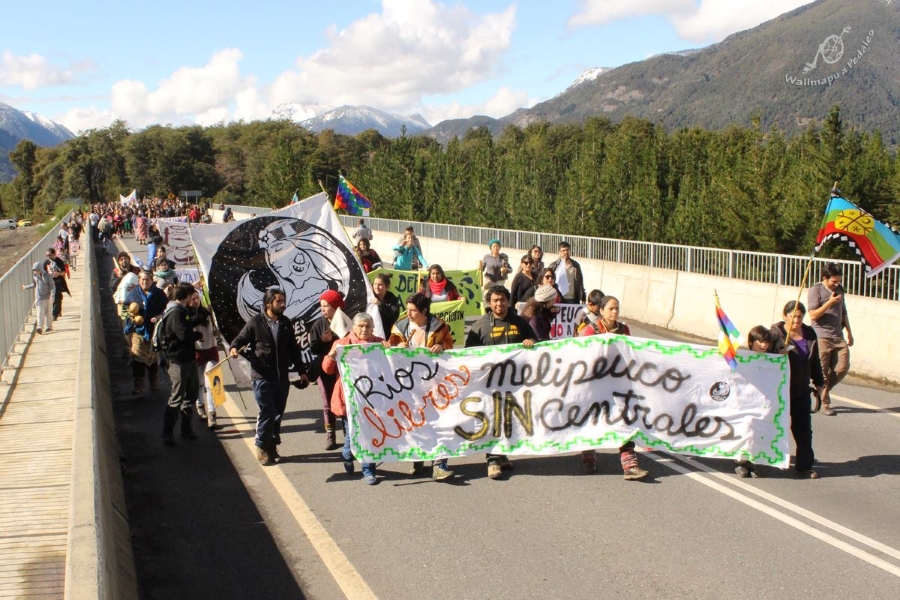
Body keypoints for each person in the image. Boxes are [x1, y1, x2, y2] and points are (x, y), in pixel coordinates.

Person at [229, 287, 308, 465]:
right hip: (262, 377)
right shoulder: (255, 322)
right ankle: (261, 446)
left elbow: (293, 350)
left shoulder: (286, 323)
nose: (283, 304)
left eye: (283, 301)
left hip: (281, 378)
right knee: (267, 412)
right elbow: (239, 340)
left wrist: (302, 372)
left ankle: (272, 446)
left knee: (278, 413)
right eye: (279, 301)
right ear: (268, 304)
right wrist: (234, 348)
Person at [465, 285, 537, 480]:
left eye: (503, 300)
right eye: (495, 300)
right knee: (492, 418)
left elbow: (536, 342)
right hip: (489, 385)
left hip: (515, 383)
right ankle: (493, 460)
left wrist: (530, 341)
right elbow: (468, 354)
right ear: (489, 303)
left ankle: (502, 453)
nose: (499, 304)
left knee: (509, 419)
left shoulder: (519, 322)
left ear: (508, 301)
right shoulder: (480, 326)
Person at [577, 295, 649, 480]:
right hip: (594, 384)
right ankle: (588, 455)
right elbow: (580, 356)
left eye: (617, 308)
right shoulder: (589, 331)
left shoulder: (624, 330)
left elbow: (630, 354)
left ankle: (630, 465)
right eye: (611, 308)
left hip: (619, 384)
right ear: (601, 311)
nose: (615, 312)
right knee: (593, 420)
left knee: (625, 419)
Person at [388, 293, 455, 480]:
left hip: (434, 384)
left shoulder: (439, 326)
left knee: (439, 423)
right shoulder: (400, 327)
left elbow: (450, 344)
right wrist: (397, 346)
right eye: (407, 310)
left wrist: (442, 345)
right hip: (409, 385)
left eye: (413, 311)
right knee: (416, 423)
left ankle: (440, 464)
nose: (408, 314)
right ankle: (418, 458)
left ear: (424, 311)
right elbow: (388, 350)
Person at [322, 313, 389, 485]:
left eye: (368, 326)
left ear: (373, 327)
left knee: (369, 434)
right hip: (349, 400)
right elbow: (327, 370)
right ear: (353, 327)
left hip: (373, 399)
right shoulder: (342, 345)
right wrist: (331, 355)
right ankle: (347, 454)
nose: (364, 329)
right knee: (351, 436)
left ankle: (369, 470)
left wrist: (390, 350)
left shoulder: (380, 344)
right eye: (361, 326)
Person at [770, 301, 824, 479]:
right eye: (792, 316)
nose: (796, 320)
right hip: (779, 390)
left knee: (803, 429)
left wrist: (819, 382)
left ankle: (805, 465)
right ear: (784, 316)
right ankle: (754, 459)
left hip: (800, 390)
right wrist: (779, 354)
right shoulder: (776, 334)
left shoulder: (809, 333)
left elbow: (814, 360)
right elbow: (762, 358)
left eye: (799, 317)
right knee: (770, 426)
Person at [160, 283, 203, 445]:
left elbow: (190, 322)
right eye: (191, 295)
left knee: (191, 395)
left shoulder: (182, 311)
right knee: (176, 397)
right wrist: (197, 335)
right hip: (177, 361)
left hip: (189, 359)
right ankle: (167, 432)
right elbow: (184, 334)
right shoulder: (176, 313)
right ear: (186, 296)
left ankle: (186, 428)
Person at [807, 262, 853, 416]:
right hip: (821, 336)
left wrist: (849, 332)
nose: (836, 284)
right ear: (825, 278)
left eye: (838, 281)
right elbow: (813, 315)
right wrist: (830, 302)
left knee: (842, 367)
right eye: (834, 281)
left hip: (838, 336)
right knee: (823, 372)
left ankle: (824, 391)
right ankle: (825, 403)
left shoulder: (839, 290)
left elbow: (843, 312)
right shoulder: (816, 290)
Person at [733, 326, 773, 478]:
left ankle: (752, 461)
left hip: (761, 402)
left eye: (766, 342)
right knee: (745, 430)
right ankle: (740, 463)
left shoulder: (771, 360)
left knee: (757, 432)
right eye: (760, 342)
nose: (763, 345)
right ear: (751, 342)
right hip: (744, 401)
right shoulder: (743, 357)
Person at [310, 290, 347, 450]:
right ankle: (330, 435)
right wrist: (322, 341)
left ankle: (349, 437)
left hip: (343, 368)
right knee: (327, 403)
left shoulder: (346, 322)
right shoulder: (319, 324)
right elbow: (313, 348)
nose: (323, 309)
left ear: (335, 306)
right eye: (321, 306)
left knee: (345, 402)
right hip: (324, 369)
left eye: (326, 306)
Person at [124, 270, 168, 395]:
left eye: (147, 280)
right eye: (142, 280)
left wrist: (159, 317)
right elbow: (126, 307)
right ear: (139, 281)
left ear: (151, 281)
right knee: (137, 358)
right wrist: (132, 315)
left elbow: (166, 310)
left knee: (152, 359)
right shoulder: (133, 293)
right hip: (139, 331)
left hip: (154, 331)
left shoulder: (159, 294)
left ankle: (153, 383)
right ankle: (139, 385)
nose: (145, 282)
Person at [194, 300, 220, 430]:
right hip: (197, 351)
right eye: (192, 298)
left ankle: (212, 413)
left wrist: (217, 331)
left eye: (196, 298)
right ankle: (200, 404)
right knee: (199, 383)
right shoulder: (187, 314)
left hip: (211, 350)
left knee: (212, 384)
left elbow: (217, 328)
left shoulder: (208, 312)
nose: (195, 301)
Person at [22, 261, 54, 334]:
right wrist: (25, 287)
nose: (35, 272)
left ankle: (49, 326)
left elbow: (52, 286)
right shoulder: (35, 277)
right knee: (40, 313)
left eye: (36, 270)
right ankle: (39, 327)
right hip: (39, 298)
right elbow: (34, 285)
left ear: (40, 269)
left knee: (48, 313)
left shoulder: (47, 276)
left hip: (47, 297)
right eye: (34, 271)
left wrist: (52, 295)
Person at [44, 248, 69, 321]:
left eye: (50, 255)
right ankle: (57, 311)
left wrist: (59, 273)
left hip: (58, 282)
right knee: (53, 298)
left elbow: (64, 272)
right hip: (50, 283)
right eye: (47, 255)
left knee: (57, 298)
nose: (48, 257)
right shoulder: (46, 262)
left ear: (54, 254)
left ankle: (54, 314)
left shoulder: (59, 261)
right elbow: (43, 272)